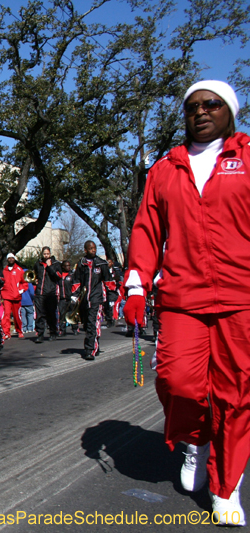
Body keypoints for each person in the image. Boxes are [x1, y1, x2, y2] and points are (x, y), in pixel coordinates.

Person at [123, 80, 249, 524]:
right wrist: (136, 285)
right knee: (178, 381)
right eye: (192, 106)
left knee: (236, 396)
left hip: (242, 297)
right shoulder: (166, 169)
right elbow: (146, 229)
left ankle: (226, 487)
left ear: (229, 112)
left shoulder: (247, 159)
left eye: (211, 104)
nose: (200, 111)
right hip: (182, 296)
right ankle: (194, 442)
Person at [70, 241, 115, 361]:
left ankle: (90, 350)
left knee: (92, 324)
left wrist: (111, 299)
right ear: (85, 250)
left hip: (97, 298)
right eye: (90, 248)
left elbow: (109, 282)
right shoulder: (81, 263)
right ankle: (95, 344)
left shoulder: (101, 264)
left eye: (94, 248)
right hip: (84, 299)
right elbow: (76, 280)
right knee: (86, 324)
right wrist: (74, 295)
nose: (93, 250)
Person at [33, 247, 61, 343]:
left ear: (50, 253)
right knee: (39, 314)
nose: (46, 255)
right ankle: (40, 334)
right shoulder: (38, 263)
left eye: (47, 254)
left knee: (51, 314)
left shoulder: (56, 264)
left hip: (50, 293)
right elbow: (34, 275)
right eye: (44, 254)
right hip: (40, 292)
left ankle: (53, 332)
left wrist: (50, 267)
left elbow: (58, 276)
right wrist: (34, 281)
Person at [0, 253, 26, 341]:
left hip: (16, 297)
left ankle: (19, 331)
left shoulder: (19, 270)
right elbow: (1, 282)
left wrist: (20, 291)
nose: (11, 259)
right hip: (7, 296)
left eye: (12, 258)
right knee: (6, 315)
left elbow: (24, 283)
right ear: (7, 260)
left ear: (14, 259)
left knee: (17, 316)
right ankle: (6, 333)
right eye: (9, 258)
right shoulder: (4, 271)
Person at [56, 260, 75, 336]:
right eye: (66, 266)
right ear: (63, 267)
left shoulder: (72, 275)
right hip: (62, 299)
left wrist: (74, 295)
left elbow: (75, 285)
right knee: (62, 315)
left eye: (69, 265)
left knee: (72, 313)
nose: (68, 267)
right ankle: (62, 330)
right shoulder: (59, 276)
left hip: (70, 298)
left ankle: (75, 328)